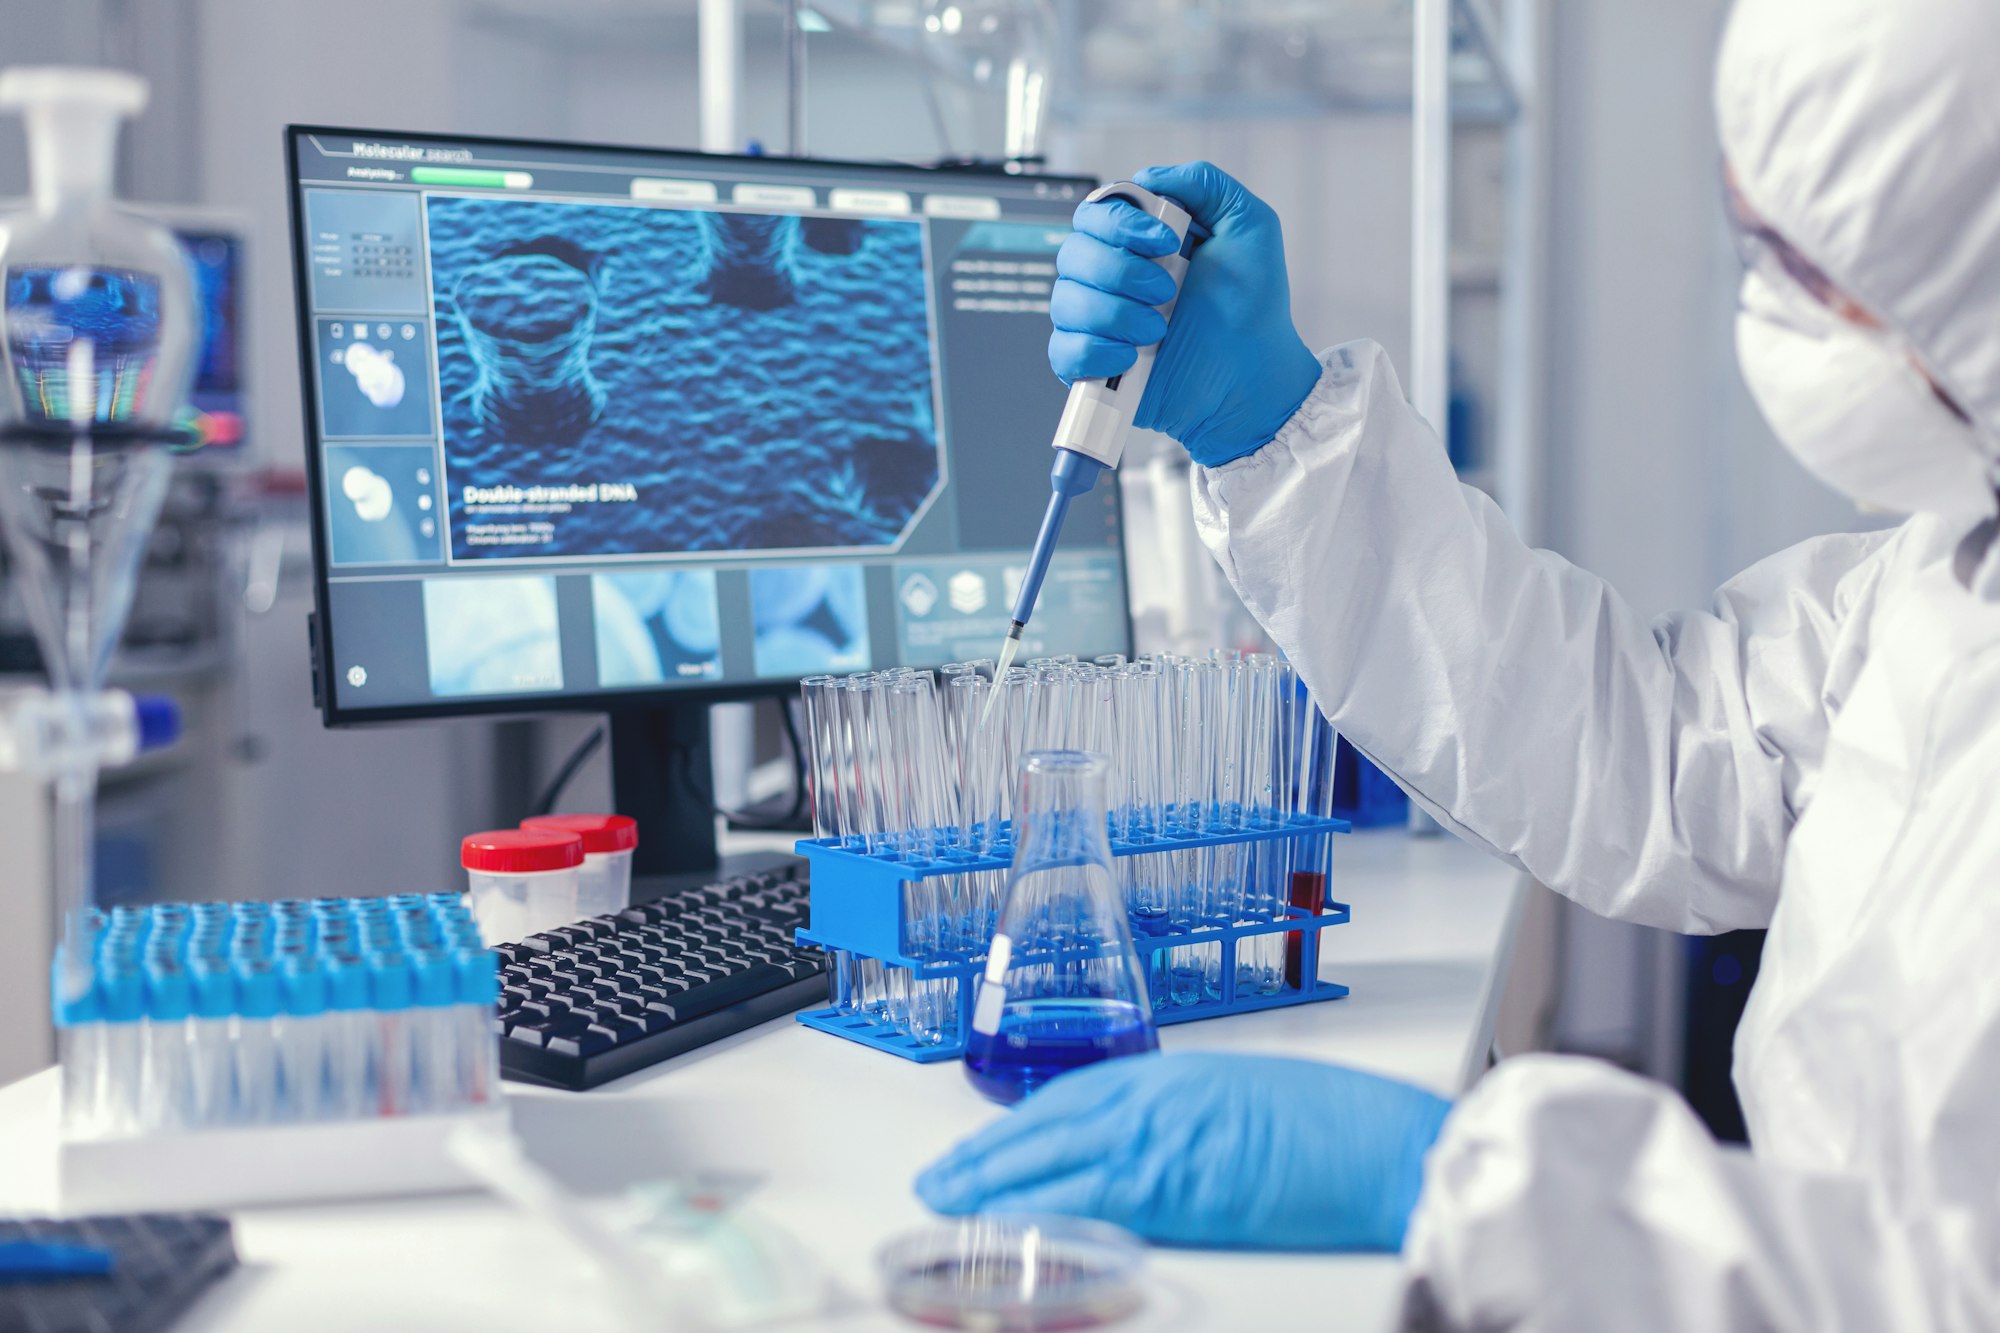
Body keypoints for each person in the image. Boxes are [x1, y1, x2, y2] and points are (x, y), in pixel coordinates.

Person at [915, 0, 2000, 1325]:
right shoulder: (1955, 561)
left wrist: (1465, 1178)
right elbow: (1658, 748)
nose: (1761, 309)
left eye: (1804, 269)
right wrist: (1267, 429)